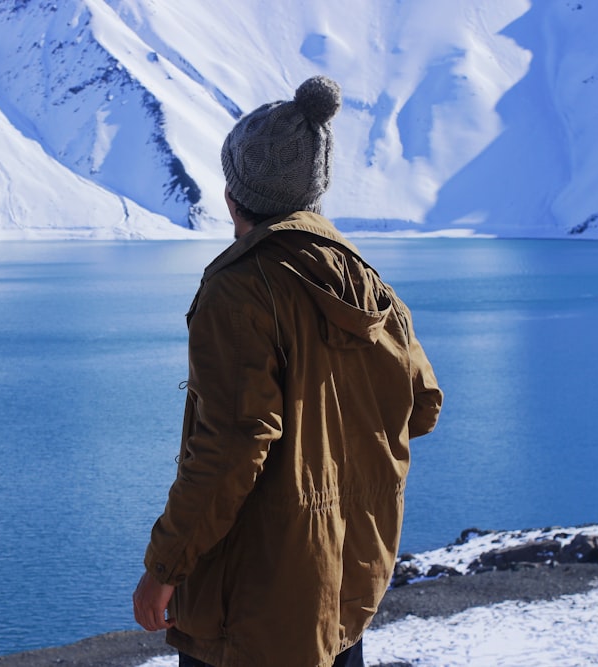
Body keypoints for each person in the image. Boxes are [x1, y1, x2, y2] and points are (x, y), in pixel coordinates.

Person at [132, 75, 443, 667]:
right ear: (314, 190)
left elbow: (230, 446)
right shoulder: (365, 279)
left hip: (255, 606)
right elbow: (422, 405)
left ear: (233, 194)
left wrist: (164, 568)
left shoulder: (239, 289)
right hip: (343, 591)